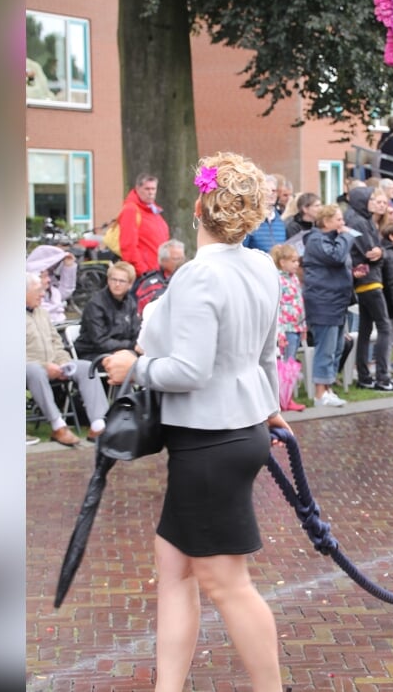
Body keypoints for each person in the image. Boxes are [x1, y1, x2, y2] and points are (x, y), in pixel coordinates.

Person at [100, 152, 292, 692]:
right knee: (175, 569)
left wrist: (131, 367)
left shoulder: (197, 275)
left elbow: (188, 369)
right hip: (235, 433)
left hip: (208, 442)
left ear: (201, 206)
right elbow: (264, 354)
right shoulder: (260, 266)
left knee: (224, 581)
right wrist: (270, 406)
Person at [26, 273, 110, 445]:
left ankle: (98, 425)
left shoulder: (42, 312)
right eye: (38, 290)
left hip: (54, 365)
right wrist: (44, 366)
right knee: (35, 371)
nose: (43, 294)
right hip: (26, 370)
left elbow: (56, 342)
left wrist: (63, 362)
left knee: (86, 367)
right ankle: (58, 426)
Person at [343, 187, 393, 392]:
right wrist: (382, 253)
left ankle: (365, 376)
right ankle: (382, 376)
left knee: (366, 330)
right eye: (370, 199)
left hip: (365, 280)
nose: (373, 203)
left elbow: (376, 252)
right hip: (370, 280)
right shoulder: (359, 221)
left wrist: (380, 252)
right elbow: (371, 252)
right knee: (384, 327)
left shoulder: (358, 219)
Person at [300, 203, 354, 407]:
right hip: (324, 302)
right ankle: (319, 393)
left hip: (337, 301)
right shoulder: (316, 239)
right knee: (326, 348)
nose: (343, 224)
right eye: (339, 219)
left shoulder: (332, 240)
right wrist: (346, 237)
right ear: (326, 221)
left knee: (337, 347)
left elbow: (338, 263)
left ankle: (328, 388)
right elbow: (336, 257)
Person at [74, 261, 142, 360]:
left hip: (121, 351)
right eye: (113, 280)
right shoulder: (96, 304)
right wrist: (130, 346)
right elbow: (100, 341)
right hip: (93, 353)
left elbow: (135, 332)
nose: (117, 284)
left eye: (122, 281)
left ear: (130, 284)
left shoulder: (130, 303)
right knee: (129, 364)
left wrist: (135, 345)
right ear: (108, 281)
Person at [269, 243, 308, 413]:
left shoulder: (294, 278)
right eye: (293, 261)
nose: (296, 264)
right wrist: (279, 332)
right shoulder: (278, 279)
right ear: (282, 262)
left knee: (291, 364)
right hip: (286, 328)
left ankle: (287, 397)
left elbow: (299, 302)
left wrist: (303, 326)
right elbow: (276, 307)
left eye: (297, 261)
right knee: (285, 364)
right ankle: (282, 399)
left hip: (296, 327)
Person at [117, 173, 171, 278]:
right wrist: (142, 271)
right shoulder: (131, 210)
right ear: (137, 188)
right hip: (145, 274)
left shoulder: (153, 211)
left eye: (153, 189)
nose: (150, 192)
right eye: (147, 189)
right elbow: (128, 246)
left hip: (157, 272)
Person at [133, 239, 186, 316]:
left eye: (182, 258)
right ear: (163, 260)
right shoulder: (151, 285)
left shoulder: (188, 278)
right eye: (176, 259)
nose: (182, 262)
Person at [26, 243, 76, 322]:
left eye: (49, 275)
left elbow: (65, 291)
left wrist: (68, 267)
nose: (49, 280)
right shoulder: (28, 295)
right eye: (44, 276)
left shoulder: (52, 290)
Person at [245, 174, 288, 252]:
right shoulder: (251, 220)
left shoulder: (280, 220)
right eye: (266, 190)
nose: (270, 193)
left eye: (273, 191)